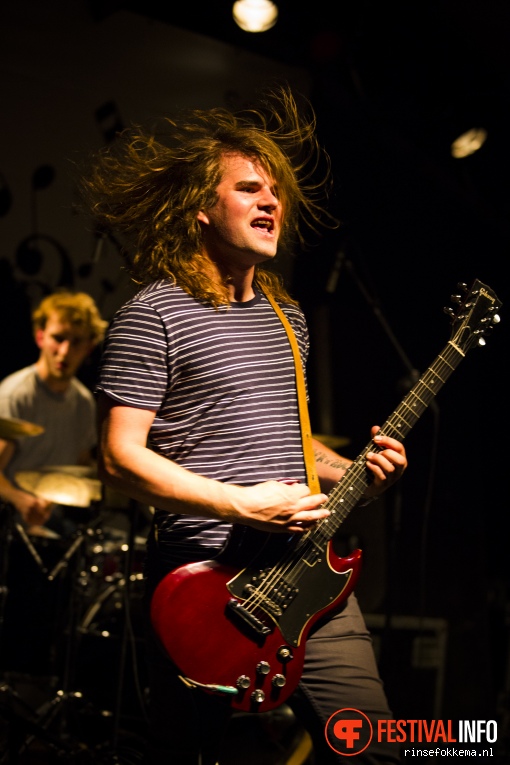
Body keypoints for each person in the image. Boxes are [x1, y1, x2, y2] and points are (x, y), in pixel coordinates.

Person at [81, 87, 408, 764]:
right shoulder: (155, 315)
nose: (271, 203)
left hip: (309, 579)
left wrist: (358, 474)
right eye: (249, 189)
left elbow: (293, 441)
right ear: (202, 208)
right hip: (208, 588)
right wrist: (240, 503)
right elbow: (118, 457)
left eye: (276, 193)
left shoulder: (287, 319)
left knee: (374, 748)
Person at [0, 290, 107, 533]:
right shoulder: (16, 395)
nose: (65, 351)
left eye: (76, 341)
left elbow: (80, 469)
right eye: (58, 338)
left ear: (89, 348)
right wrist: (20, 500)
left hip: (47, 521)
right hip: (8, 523)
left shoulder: (83, 403)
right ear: (40, 337)